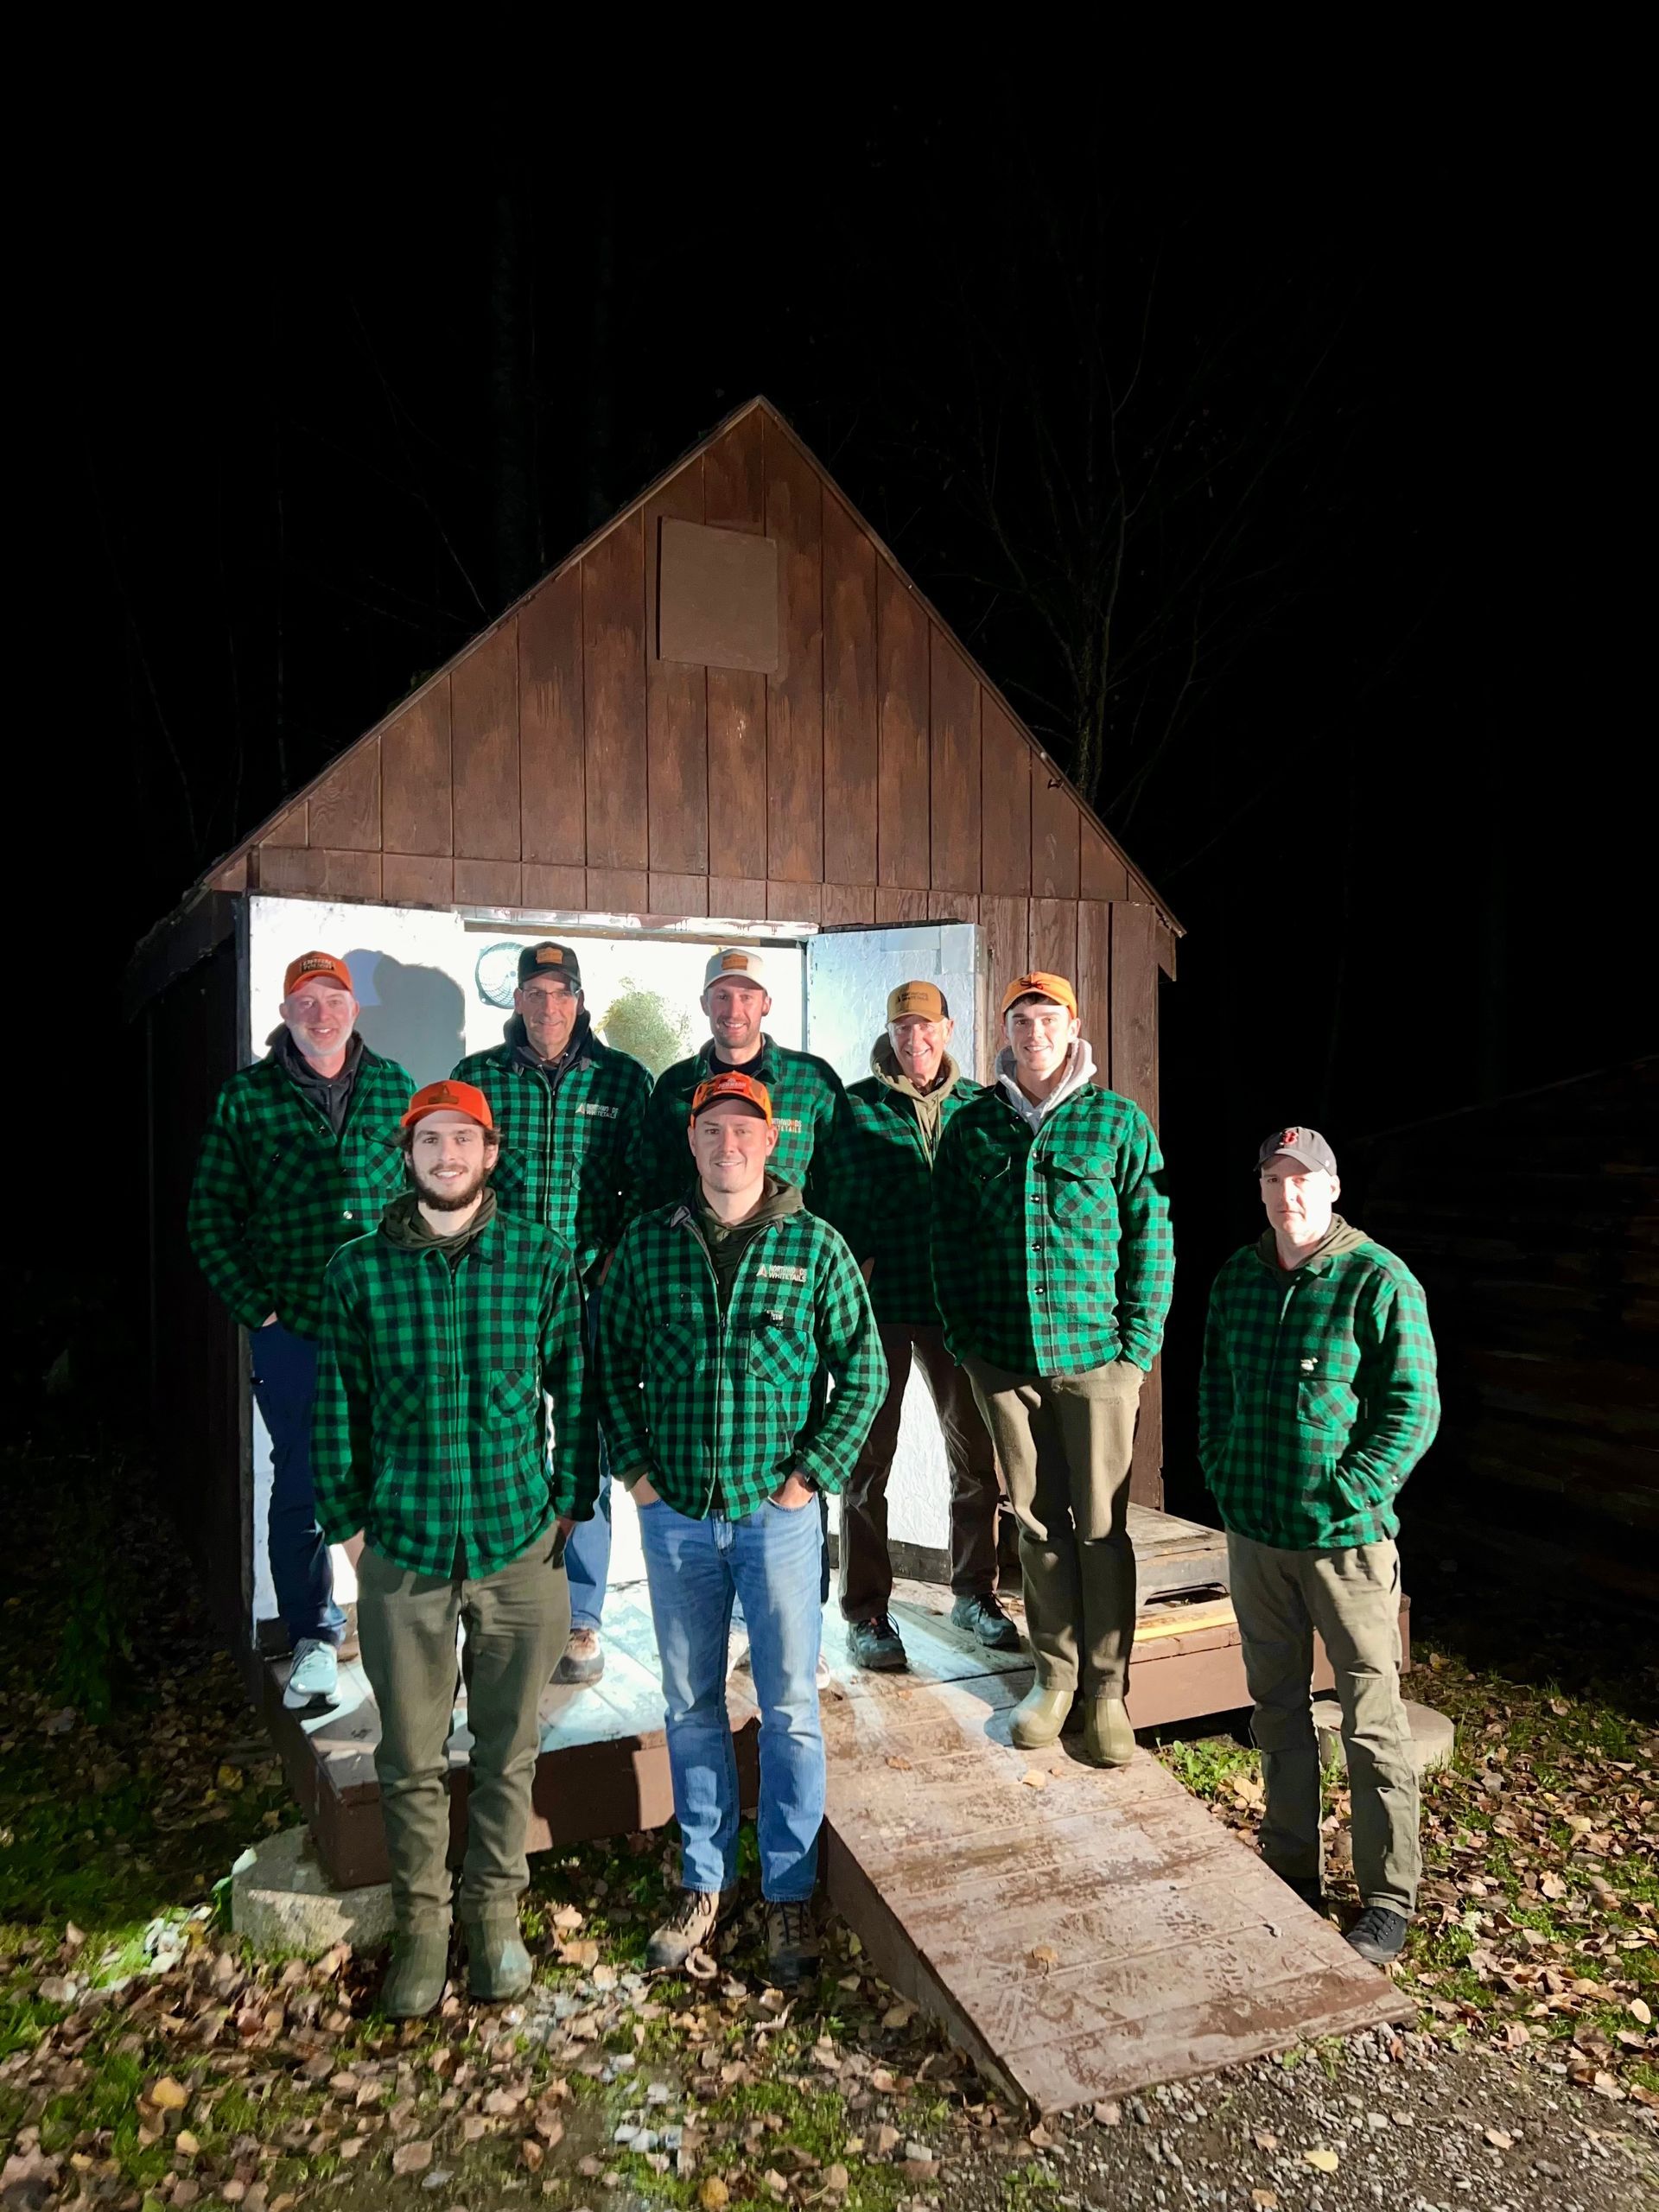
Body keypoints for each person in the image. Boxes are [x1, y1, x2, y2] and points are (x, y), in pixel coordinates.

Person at [312, 1079, 598, 2016]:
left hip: (519, 1545)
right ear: (409, 1155)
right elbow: (336, 1406)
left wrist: (569, 1501)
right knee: (410, 1756)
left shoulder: (540, 1258)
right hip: (407, 1547)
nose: (447, 1155)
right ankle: (423, 1930)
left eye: (463, 1139)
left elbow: (576, 1387)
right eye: (430, 1140)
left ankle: (494, 1916)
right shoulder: (358, 1271)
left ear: (490, 1152)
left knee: (510, 1747)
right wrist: (352, 1531)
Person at [598, 1071, 886, 1986]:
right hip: (677, 1520)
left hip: (776, 1518)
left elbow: (865, 1372)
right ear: (692, 1142)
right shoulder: (649, 1245)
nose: (729, 1144)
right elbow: (607, 1362)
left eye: (744, 1130)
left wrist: (808, 1479)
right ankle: (705, 1879)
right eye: (713, 1129)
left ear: (771, 1143)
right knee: (690, 1704)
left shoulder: (816, 1246)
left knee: (790, 1707)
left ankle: (789, 1890)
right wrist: (638, 1476)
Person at [1199, 1126, 1440, 1967]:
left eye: (1302, 1180)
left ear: (1332, 1188)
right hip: (1258, 1540)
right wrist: (1223, 1472)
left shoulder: (1378, 1280)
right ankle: (1291, 1866)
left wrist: (1349, 1489)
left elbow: (1413, 1407)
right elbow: (1214, 1390)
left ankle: (1387, 1899)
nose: (1287, 1195)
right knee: (1276, 1710)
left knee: (1372, 1722)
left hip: (1346, 1545)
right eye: (1273, 1179)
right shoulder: (1237, 1279)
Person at [931, 972, 1173, 1767]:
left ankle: (1107, 1691)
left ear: (1073, 1028)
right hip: (1005, 1363)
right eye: (1021, 1019)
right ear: (1005, 1031)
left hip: (1098, 1360)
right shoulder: (972, 1126)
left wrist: (1136, 1349)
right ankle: (1054, 1678)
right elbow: (948, 1240)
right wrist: (968, 1343)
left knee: (1102, 1528)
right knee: (1036, 1526)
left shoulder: (1117, 1122)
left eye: (1048, 1017)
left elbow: (1153, 1238)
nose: (1034, 1031)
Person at [188, 951, 413, 1710]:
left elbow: (422, 1197)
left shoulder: (395, 1088)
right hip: (296, 1336)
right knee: (304, 1484)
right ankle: (314, 1634)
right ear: (285, 1014)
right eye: (306, 1001)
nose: (322, 1014)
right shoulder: (246, 1100)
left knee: (398, 1472)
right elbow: (208, 1218)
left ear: (355, 1009)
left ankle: (397, 1621)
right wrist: (261, 1310)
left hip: (384, 1331)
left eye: (334, 998)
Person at [453, 942, 652, 1690]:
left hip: (589, 1292)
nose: (547, 1006)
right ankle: (503, 1601)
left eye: (559, 992)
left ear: (579, 999)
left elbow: (645, 1183)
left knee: (583, 1448)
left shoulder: (622, 1079)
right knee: (500, 1440)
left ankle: (581, 1614)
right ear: (517, 1002)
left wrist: (611, 1261)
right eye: (533, 992)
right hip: (503, 1292)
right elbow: (457, 1175)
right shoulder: (477, 1078)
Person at [830, 982, 1015, 1671]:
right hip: (879, 1307)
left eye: (926, 1026)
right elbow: (831, 1200)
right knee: (865, 1462)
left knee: (975, 1458)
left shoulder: (981, 1107)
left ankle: (974, 1592)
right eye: (903, 1028)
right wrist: (853, 1271)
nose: (915, 1040)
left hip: (957, 1308)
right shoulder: (854, 1107)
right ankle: (866, 1612)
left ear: (948, 1029)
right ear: (890, 1034)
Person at [628, 948, 846, 1216]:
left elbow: (846, 1177)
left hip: (787, 1241)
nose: (733, 1011)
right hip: (690, 1240)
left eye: (746, 997)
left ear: (766, 1004)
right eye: (722, 997)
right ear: (704, 1004)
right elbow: (650, 1182)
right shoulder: (673, 1086)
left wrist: (817, 1238)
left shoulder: (812, 1081)